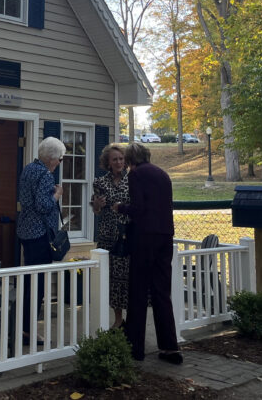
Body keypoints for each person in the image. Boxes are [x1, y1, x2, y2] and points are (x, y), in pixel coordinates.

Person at [116, 142, 183, 364]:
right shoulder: (163, 174)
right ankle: (170, 347)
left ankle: (135, 347)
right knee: (161, 291)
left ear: (130, 160)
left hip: (144, 238)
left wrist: (120, 207)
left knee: (138, 290)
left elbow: (138, 209)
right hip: (166, 235)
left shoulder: (136, 176)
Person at [17, 136, 66, 345]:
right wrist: (56, 195)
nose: (59, 163)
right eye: (60, 159)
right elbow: (43, 206)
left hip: (25, 231)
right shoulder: (45, 174)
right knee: (37, 284)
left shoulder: (28, 168)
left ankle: (23, 327)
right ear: (51, 158)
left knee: (29, 281)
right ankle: (29, 331)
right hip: (40, 235)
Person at [91, 143, 131, 330]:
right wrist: (97, 205)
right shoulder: (100, 182)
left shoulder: (132, 179)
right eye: (115, 159)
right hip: (108, 235)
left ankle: (132, 318)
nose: (119, 162)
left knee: (128, 277)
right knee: (112, 278)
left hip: (128, 234)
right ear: (108, 162)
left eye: (121, 159)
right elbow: (96, 212)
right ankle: (118, 319)